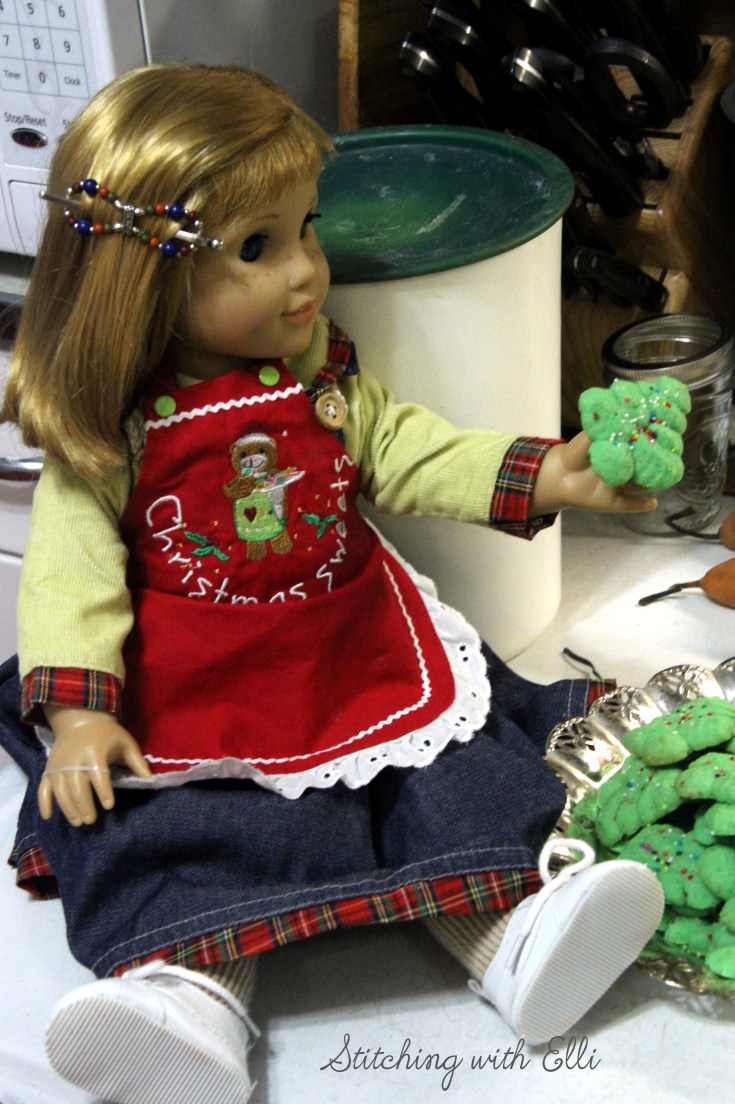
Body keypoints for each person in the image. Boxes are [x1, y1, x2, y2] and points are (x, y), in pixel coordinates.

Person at [0, 63, 664, 1104]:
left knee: (443, 779)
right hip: (198, 682)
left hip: (354, 647)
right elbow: (69, 574)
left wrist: (547, 471)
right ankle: (187, 996)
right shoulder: (118, 422)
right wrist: (81, 714)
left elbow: (403, 448)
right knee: (187, 827)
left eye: (305, 228)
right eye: (259, 248)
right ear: (141, 275)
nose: (308, 270)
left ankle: (515, 939)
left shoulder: (319, 370)